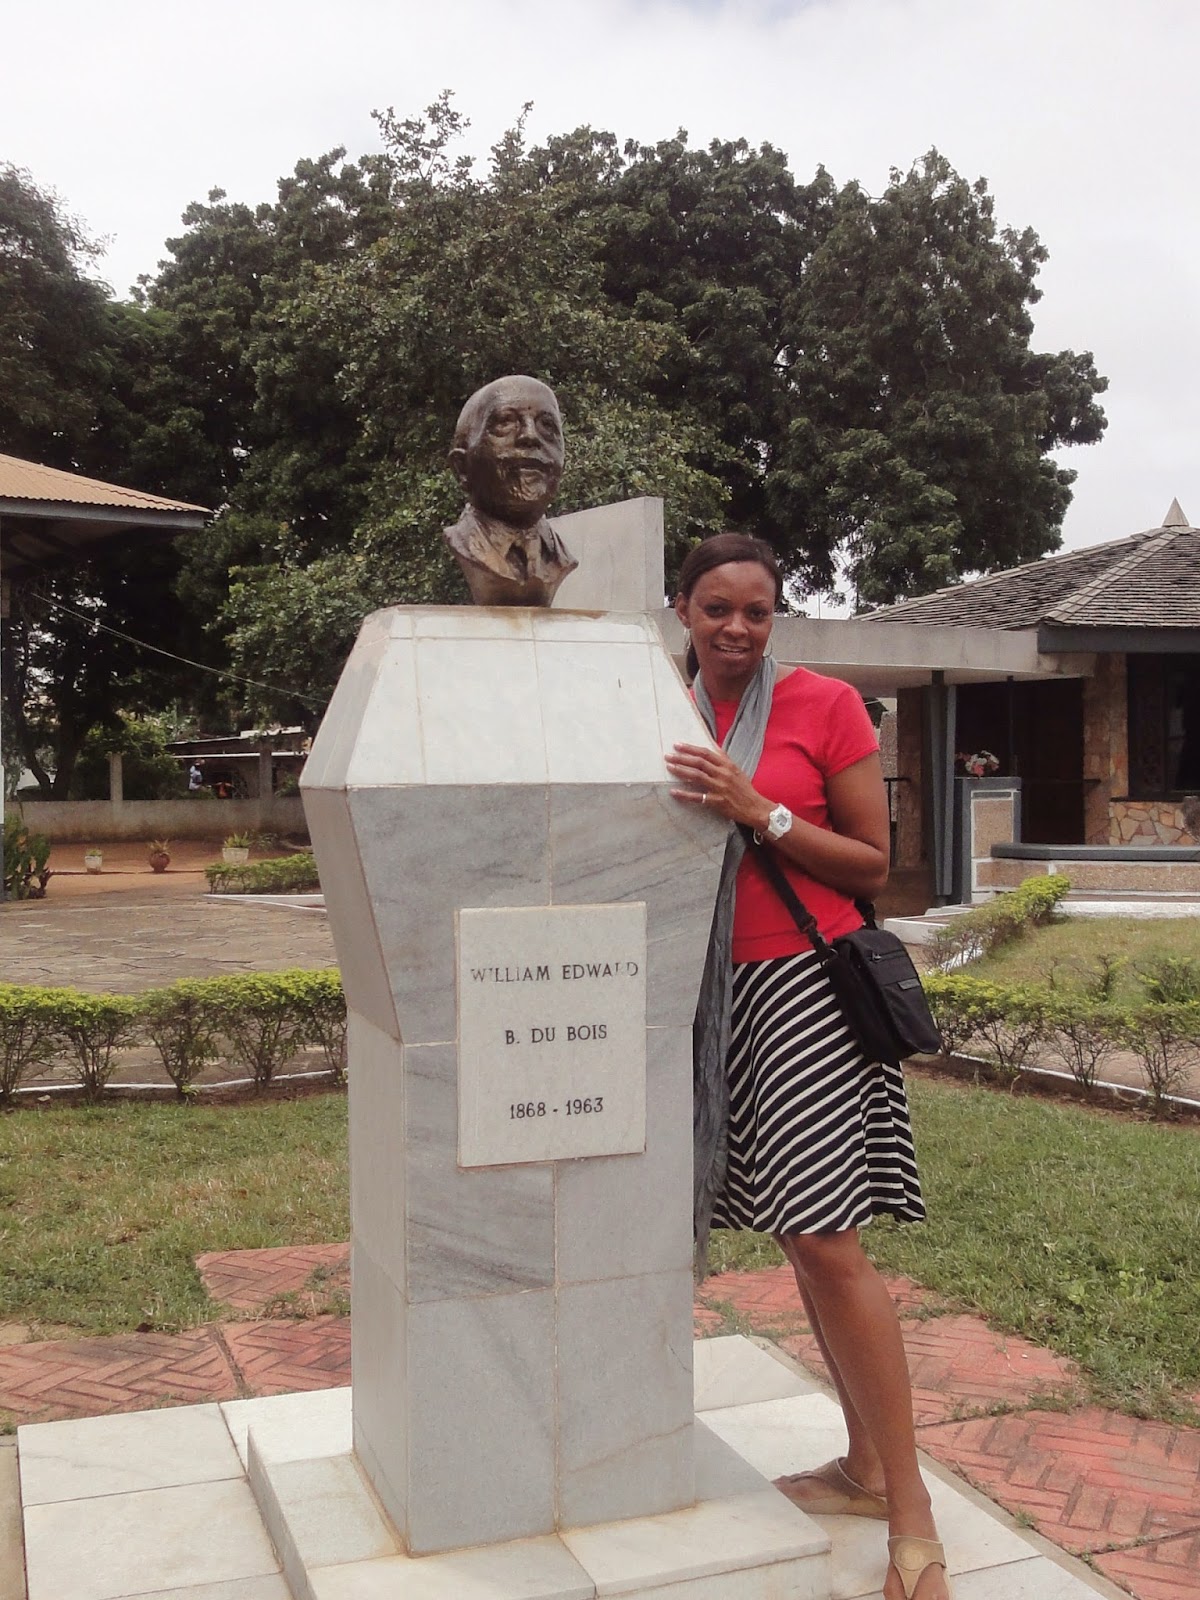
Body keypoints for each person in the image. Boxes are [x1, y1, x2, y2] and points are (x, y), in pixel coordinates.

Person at [665, 532, 951, 1600]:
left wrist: (762, 809)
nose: (738, 627)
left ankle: (910, 1510)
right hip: (708, 999)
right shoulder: (660, 707)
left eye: (757, 610)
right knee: (797, 1234)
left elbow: (875, 863)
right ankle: (865, 1464)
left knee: (828, 1242)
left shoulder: (824, 704)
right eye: (716, 609)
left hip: (807, 989)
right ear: (683, 612)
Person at [442, 374, 578, 606]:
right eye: (505, 422)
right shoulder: (463, 546)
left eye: (546, 425)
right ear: (462, 468)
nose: (530, 436)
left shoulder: (560, 558)